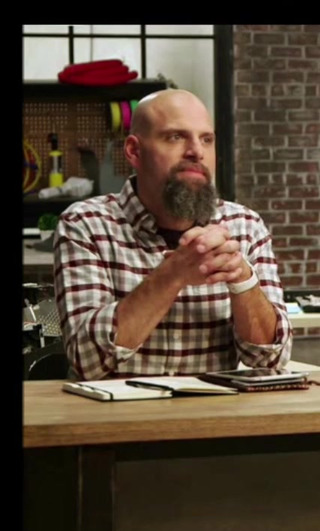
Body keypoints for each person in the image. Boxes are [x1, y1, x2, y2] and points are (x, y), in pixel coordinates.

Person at [54, 89, 292, 380]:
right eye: (176, 137)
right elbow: (87, 360)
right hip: (118, 409)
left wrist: (243, 278)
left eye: (207, 139)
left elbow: (270, 360)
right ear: (134, 151)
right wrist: (173, 274)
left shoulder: (245, 225)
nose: (196, 151)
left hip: (216, 408)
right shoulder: (86, 224)